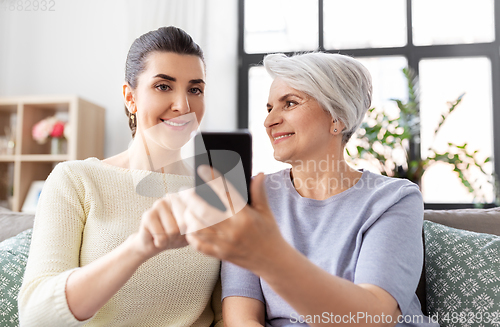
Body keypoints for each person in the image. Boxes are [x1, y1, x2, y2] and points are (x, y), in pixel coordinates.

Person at [170, 52, 440, 327]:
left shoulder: (393, 199)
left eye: (289, 103)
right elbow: (243, 316)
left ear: (338, 118)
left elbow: (373, 315)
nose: (270, 121)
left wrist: (270, 258)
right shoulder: (252, 194)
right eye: (269, 108)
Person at [18, 26, 223, 327]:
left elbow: (227, 314)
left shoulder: (216, 190)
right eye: (163, 86)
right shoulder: (76, 180)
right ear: (130, 97)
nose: (183, 105)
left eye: (195, 89)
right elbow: (36, 316)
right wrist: (139, 247)